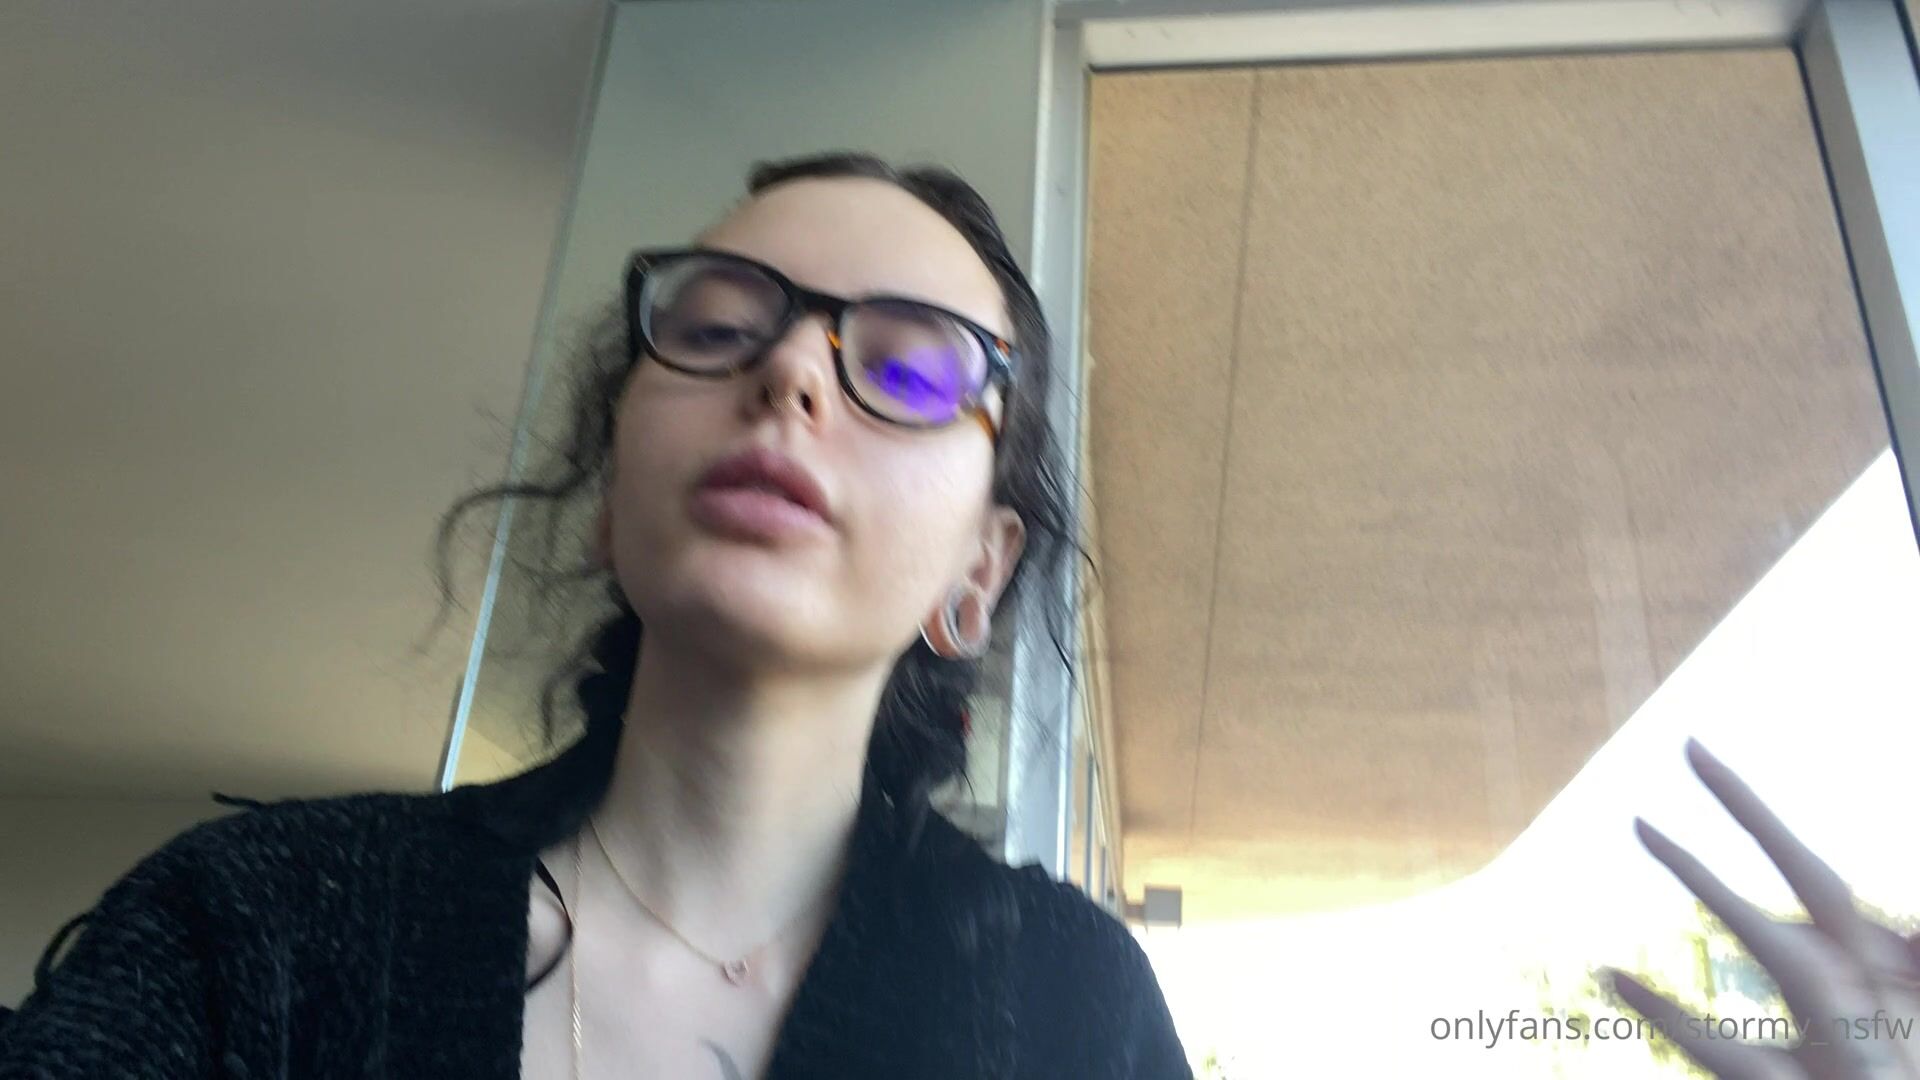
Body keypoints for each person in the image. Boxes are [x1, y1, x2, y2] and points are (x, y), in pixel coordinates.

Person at [0, 153, 1193, 1078]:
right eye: (716, 329)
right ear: (612, 502)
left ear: (977, 575)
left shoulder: (1074, 1004)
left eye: (911, 371)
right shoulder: (261, 917)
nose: (790, 374)